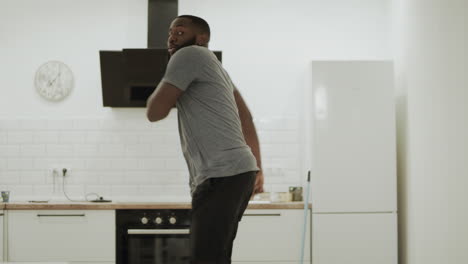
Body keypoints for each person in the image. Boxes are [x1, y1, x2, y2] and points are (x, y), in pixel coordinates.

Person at [146, 15, 264, 264]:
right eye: (169, 33)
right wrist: (258, 169)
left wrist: (170, 71)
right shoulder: (218, 68)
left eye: (179, 32)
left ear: (202, 39)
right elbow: (247, 119)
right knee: (216, 256)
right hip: (238, 173)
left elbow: (154, 112)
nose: (171, 37)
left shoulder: (189, 55)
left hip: (221, 175)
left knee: (206, 258)